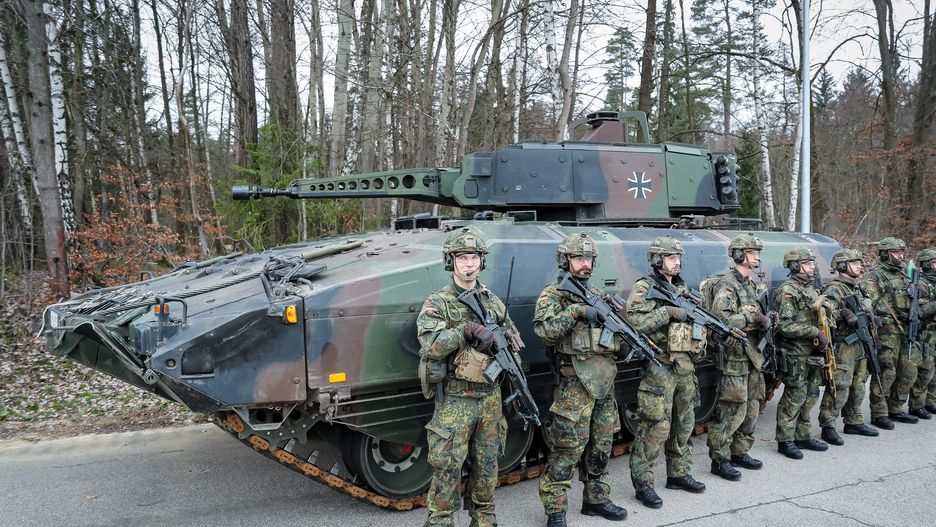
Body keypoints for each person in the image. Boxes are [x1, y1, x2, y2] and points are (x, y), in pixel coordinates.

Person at [417, 228, 523, 527]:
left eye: (474, 257)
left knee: (488, 468)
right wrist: (465, 331)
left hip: (490, 398)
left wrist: (503, 347)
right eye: (462, 258)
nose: (469, 264)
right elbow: (430, 346)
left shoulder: (492, 301)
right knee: (447, 469)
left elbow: (513, 342)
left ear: (481, 261)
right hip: (455, 399)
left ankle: (484, 521)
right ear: (451, 261)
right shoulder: (438, 302)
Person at [535, 233, 628, 527]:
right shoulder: (553, 295)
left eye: (588, 258)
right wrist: (578, 311)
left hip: (603, 383)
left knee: (602, 445)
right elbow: (545, 332)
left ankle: (596, 499)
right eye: (578, 258)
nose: (585, 264)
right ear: (565, 260)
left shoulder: (598, 295)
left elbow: (617, 342)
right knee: (567, 449)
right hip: (573, 385)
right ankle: (555, 509)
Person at [626, 235, 706, 509]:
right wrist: (667, 313)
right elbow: (634, 323)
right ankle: (644, 483)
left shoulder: (682, 288)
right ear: (657, 259)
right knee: (655, 427)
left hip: (685, 366)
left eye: (678, 257)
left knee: (684, 423)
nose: (677, 262)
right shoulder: (644, 287)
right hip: (659, 366)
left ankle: (679, 474)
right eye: (671, 257)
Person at [705, 234, 769, 481]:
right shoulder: (728, 285)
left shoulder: (751, 285)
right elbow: (722, 320)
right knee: (732, 409)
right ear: (739, 254)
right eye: (752, 253)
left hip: (753, 356)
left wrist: (768, 319)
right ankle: (720, 459)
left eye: (757, 253)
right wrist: (753, 318)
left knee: (752, 406)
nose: (756, 257)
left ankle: (740, 451)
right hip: (735, 357)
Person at [816, 249, 880, 444]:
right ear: (843, 265)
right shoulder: (834, 289)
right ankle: (828, 425)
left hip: (860, 342)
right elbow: (822, 315)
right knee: (840, 384)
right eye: (854, 263)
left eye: (860, 262)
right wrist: (842, 313)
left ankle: (853, 420)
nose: (860, 266)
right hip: (844, 343)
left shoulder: (857, 288)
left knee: (859, 383)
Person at [774, 246, 830, 460]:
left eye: (812, 263)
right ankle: (785, 440)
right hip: (796, 353)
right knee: (794, 396)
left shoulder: (811, 289)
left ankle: (803, 435)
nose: (812, 267)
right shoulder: (788, 291)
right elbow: (784, 326)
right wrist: (813, 331)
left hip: (813, 352)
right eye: (807, 264)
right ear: (795, 266)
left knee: (811, 394)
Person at [864, 237, 920, 429]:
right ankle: (879, 413)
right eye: (896, 252)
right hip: (887, 330)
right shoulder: (875, 276)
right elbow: (869, 301)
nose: (900, 256)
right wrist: (892, 311)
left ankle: (896, 407)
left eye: (901, 252)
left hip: (904, 328)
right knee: (886, 371)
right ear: (884, 254)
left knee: (908, 370)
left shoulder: (903, 275)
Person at [909, 248, 936, 419]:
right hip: (926, 333)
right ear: (927, 264)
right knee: (925, 370)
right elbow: (920, 310)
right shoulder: (921, 284)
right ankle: (917, 405)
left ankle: (931, 401)